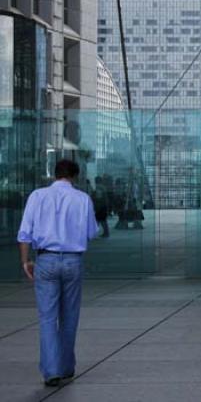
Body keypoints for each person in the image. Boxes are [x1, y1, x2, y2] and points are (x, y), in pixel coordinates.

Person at [17, 159, 98, 387]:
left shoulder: (37, 196)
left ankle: (51, 371)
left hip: (46, 258)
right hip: (73, 261)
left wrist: (25, 261)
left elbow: (24, 234)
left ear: (54, 174)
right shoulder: (83, 199)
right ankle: (66, 367)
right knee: (70, 316)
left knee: (47, 317)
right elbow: (92, 232)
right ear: (75, 175)